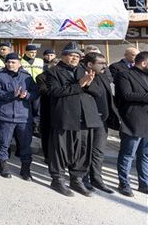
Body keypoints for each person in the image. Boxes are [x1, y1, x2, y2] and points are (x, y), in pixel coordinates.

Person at [46, 42, 103, 197]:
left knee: (83, 150)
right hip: (65, 117)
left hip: (86, 118)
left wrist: (88, 84)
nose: (75, 58)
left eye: (77, 56)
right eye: (71, 55)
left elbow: (98, 92)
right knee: (61, 150)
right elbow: (55, 91)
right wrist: (80, 84)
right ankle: (57, 179)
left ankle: (76, 180)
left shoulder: (85, 71)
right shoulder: (53, 72)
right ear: (63, 56)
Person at [0, 53, 39, 180]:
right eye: (8, 62)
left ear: (19, 63)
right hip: (5, 116)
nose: (10, 64)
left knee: (25, 145)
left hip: (23, 117)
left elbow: (36, 93)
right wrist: (11, 94)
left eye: (13, 62)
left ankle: (25, 170)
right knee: (3, 143)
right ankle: (4, 166)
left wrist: (27, 95)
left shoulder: (27, 77)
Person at [80, 52, 115, 194]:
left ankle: (97, 179)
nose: (105, 66)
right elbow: (93, 92)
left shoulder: (104, 75)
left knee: (98, 152)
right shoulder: (82, 75)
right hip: (88, 120)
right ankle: (83, 178)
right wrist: (87, 84)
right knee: (85, 150)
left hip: (103, 120)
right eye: (101, 63)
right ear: (89, 64)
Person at [115, 50, 148, 197]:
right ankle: (124, 183)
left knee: (145, 154)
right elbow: (127, 95)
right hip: (133, 120)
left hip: (147, 122)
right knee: (128, 154)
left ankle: (144, 183)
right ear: (144, 63)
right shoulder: (125, 74)